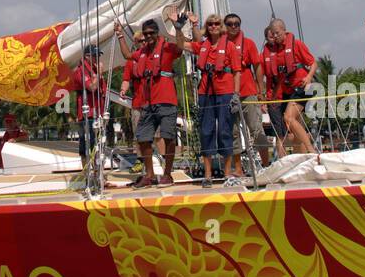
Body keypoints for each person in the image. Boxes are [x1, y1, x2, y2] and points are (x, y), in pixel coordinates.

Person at [119, 15, 184, 186]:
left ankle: (167, 174)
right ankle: (150, 175)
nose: (148, 37)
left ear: (157, 33)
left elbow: (180, 47)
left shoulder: (167, 48)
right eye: (145, 34)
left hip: (166, 100)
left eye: (151, 33)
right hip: (147, 103)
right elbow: (127, 55)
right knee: (143, 138)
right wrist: (119, 35)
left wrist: (178, 28)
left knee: (168, 137)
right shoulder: (142, 53)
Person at [187, 12, 241, 187]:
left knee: (225, 131)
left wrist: (236, 94)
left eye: (217, 23)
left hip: (225, 92)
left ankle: (227, 174)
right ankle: (208, 175)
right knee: (206, 131)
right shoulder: (203, 45)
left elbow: (236, 71)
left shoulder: (230, 46)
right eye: (210, 24)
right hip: (205, 92)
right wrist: (182, 26)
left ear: (221, 26)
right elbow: (182, 44)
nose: (214, 26)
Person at [223, 13, 270, 173]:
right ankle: (238, 170)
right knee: (233, 131)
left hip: (248, 92)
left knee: (256, 129)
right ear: (225, 26)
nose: (234, 26)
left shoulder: (248, 44)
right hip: (228, 93)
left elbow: (257, 67)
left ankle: (266, 165)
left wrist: (260, 91)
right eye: (230, 24)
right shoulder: (220, 45)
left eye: (237, 23)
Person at [262, 18, 317, 154]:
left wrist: (309, 77)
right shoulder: (276, 52)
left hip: (303, 87)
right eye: (273, 34)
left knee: (288, 118)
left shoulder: (296, 44)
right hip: (289, 90)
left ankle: (311, 150)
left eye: (277, 33)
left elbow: (313, 63)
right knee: (295, 125)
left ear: (284, 31)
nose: (275, 36)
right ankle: (303, 157)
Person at [69, 46, 104, 162]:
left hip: (98, 112)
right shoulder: (81, 71)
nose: (97, 58)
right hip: (87, 114)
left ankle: (97, 173)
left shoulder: (94, 69)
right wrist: (99, 74)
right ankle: (87, 174)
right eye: (95, 56)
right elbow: (92, 87)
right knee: (86, 145)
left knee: (98, 145)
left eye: (98, 55)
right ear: (87, 56)